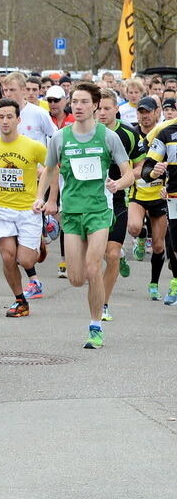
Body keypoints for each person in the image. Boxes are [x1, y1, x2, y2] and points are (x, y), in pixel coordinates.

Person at [34, 83, 134, 349]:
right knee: (77, 278)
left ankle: (95, 326)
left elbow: (128, 171)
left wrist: (118, 184)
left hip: (100, 210)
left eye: (83, 102)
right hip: (72, 211)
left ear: (95, 105)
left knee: (93, 268)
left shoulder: (108, 137)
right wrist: (41, 197)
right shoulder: (60, 138)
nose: (77, 106)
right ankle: (104, 260)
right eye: (74, 102)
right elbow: (50, 169)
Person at [0, 99, 47, 318]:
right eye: (1, 117)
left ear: (18, 120)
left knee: (25, 260)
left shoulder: (34, 147)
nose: (5, 121)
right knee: (8, 257)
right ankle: (20, 300)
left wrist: (41, 196)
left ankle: (38, 245)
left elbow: (51, 170)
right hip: (2, 209)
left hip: (28, 210)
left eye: (9, 117)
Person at [96, 90, 140, 319]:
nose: (102, 113)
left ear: (116, 109)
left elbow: (141, 166)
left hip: (117, 200)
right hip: (90, 203)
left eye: (107, 108)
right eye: (99, 108)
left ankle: (102, 305)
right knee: (89, 263)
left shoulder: (128, 134)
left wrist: (122, 181)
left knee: (110, 255)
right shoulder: (83, 132)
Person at [128, 96, 169, 300]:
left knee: (160, 246)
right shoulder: (132, 135)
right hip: (138, 193)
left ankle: (153, 284)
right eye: (140, 112)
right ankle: (142, 236)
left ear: (156, 113)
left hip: (160, 196)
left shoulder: (164, 133)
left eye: (147, 112)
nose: (144, 116)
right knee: (134, 228)